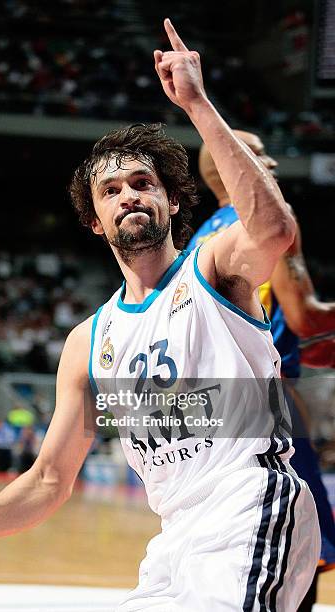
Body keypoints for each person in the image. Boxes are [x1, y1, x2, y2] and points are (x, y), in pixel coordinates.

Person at [0, 19, 320, 611]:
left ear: (171, 201)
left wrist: (196, 103)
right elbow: (51, 479)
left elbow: (275, 229)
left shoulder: (212, 266)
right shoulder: (89, 341)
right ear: (95, 220)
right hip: (174, 540)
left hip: (249, 504)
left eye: (144, 183)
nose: (129, 195)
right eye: (112, 190)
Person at [186, 130, 335, 611]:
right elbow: (305, 316)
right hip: (267, 404)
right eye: (260, 155)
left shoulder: (199, 239)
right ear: (234, 165)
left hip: (209, 409)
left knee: (241, 547)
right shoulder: (271, 224)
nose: (272, 164)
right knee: (301, 548)